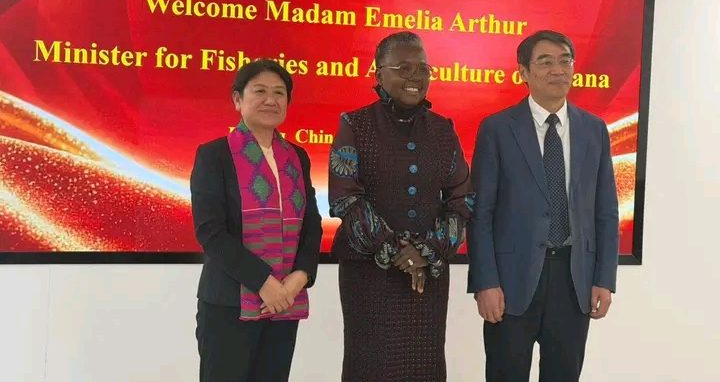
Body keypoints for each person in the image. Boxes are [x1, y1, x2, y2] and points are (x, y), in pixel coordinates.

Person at [467, 30, 619, 381]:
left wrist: (604, 279)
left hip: (574, 280)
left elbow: (606, 212)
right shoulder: (498, 129)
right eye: (546, 61)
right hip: (511, 281)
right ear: (524, 72)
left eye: (565, 61)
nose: (558, 70)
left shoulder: (594, 129)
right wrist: (485, 282)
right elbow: (481, 214)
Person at [328, 31, 473, 382]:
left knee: (424, 367)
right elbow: (345, 196)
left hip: (428, 274)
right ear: (379, 74)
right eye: (403, 68)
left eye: (422, 68)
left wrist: (427, 250)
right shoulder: (355, 124)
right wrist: (395, 250)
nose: (415, 76)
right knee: (370, 365)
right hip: (368, 273)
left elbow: (463, 198)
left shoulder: (443, 130)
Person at [190, 59, 322, 382]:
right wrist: (264, 282)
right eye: (259, 91)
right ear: (238, 99)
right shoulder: (214, 155)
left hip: (284, 304)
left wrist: (298, 278)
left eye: (279, 93)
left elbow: (312, 223)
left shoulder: (297, 157)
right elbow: (210, 231)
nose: (270, 100)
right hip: (229, 306)